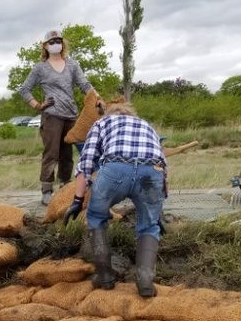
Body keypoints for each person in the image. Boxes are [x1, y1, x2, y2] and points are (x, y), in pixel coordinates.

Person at [63, 103, 166, 298]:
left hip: (115, 171)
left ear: (109, 114)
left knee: (96, 216)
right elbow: (163, 168)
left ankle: (105, 277)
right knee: (149, 226)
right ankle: (145, 280)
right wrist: (155, 213)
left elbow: (86, 164)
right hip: (152, 173)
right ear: (131, 114)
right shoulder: (146, 125)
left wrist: (77, 200)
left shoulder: (102, 123)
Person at [18, 29, 95, 206]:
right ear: (45, 45)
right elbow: (24, 89)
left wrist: (96, 98)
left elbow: (84, 84)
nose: (55, 44)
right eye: (51, 42)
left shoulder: (72, 65)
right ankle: (46, 190)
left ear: (63, 43)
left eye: (58, 40)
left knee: (67, 154)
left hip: (70, 115)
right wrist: (37, 105)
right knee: (51, 153)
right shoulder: (40, 68)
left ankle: (65, 187)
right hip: (52, 116)